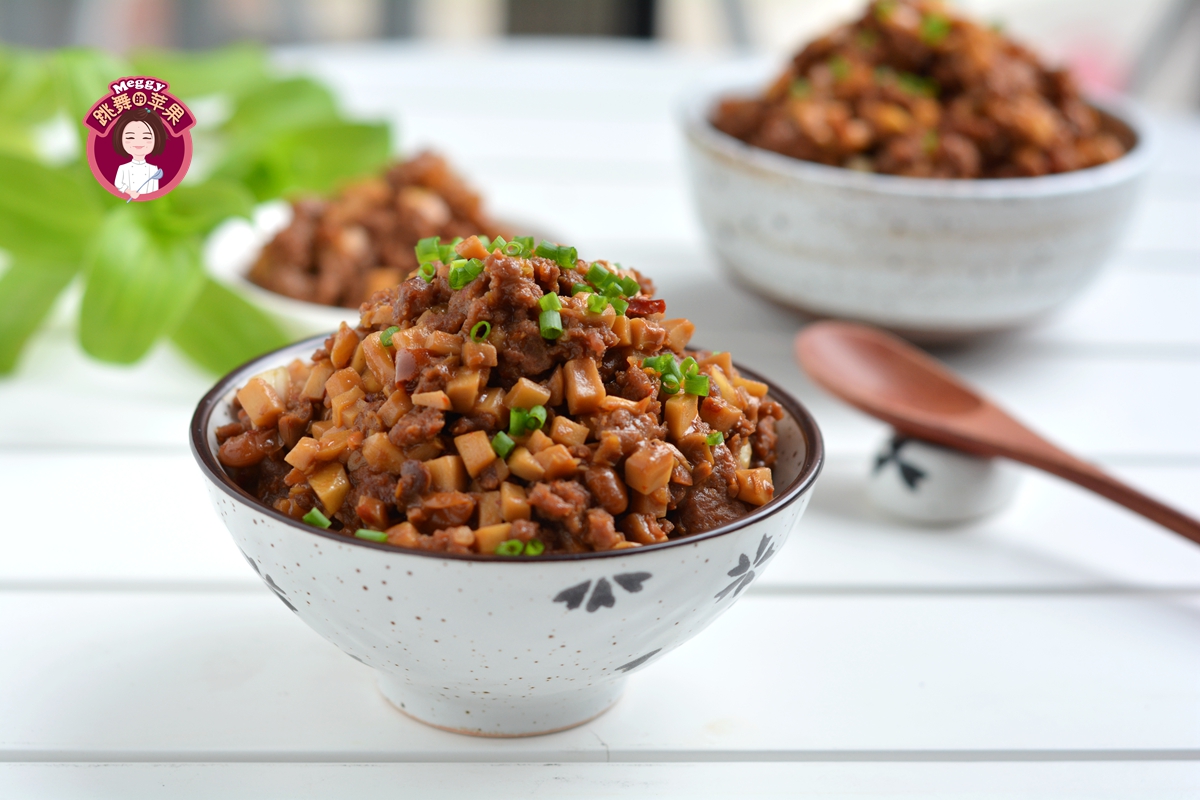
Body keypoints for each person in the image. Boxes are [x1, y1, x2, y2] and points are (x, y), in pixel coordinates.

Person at [111, 108, 166, 200]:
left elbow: (155, 190)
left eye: (146, 137)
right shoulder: (123, 168)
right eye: (130, 137)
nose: (138, 142)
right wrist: (130, 192)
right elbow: (118, 184)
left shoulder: (153, 169)